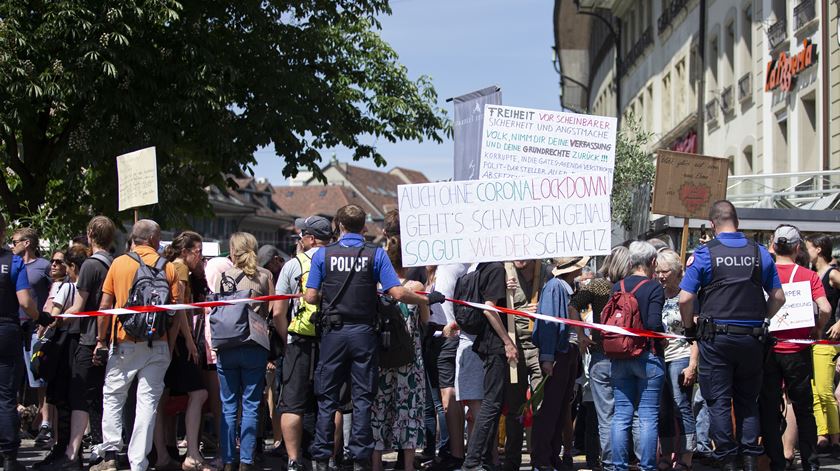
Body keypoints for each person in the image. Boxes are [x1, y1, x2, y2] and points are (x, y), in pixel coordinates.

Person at [303, 204, 442, 471]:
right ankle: (360, 459)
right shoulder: (375, 254)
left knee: (327, 398)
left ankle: (322, 458)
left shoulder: (323, 255)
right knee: (363, 398)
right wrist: (427, 298)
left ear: (339, 226)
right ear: (363, 227)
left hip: (333, 334)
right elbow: (398, 294)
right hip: (364, 334)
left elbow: (310, 296)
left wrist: (331, 295)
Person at [678, 200, 785, 471]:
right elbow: (778, 297)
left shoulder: (705, 254)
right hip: (751, 338)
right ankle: (750, 459)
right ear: (736, 221)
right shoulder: (760, 252)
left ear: (713, 224)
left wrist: (690, 329)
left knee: (718, 402)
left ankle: (727, 459)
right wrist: (763, 319)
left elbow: (684, 299)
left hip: (716, 340)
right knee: (748, 401)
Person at [90, 220, 183, 471]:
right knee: (147, 405)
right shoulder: (169, 268)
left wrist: (100, 340)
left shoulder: (119, 263)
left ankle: (110, 453)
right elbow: (175, 315)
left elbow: (105, 307)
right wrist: (169, 346)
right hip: (159, 345)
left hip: (124, 342)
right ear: (153, 239)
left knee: (113, 395)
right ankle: (138, 463)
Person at [759, 225, 830, 471]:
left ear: (773, 246)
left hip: (769, 349)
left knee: (769, 408)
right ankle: (810, 461)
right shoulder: (808, 275)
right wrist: (817, 329)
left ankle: (776, 461)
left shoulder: (764, 273)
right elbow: (827, 308)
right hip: (797, 351)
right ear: (798, 247)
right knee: (803, 408)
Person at [214, 232, 277, 471]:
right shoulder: (265, 276)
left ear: (233, 250)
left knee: (228, 405)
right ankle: (247, 461)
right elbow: (271, 310)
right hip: (254, 345)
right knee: (251, 404)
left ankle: (229, 459)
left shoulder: (224, 277)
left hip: (228, 345)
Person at [275, 216, 333, 471]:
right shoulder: (340, 262)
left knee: (292, 402)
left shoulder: (293, 265)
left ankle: (293, 459)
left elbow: (278, 311)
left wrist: (286, 341)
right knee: (332, 401)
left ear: (310, 239)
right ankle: (329, 458)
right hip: (333, 338)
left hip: (299, 339)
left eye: (301, 235)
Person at [371, 213, 428, 471]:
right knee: (408, 410)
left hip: (381, 355)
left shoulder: (376, 286)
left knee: (379, 407)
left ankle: (376, 464)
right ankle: (407, 465)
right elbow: (425, 322)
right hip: (409, 357)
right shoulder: (415, 287)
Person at [155, 231, 213, 471]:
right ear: (185, 251)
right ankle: (191, 454)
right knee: (198, 394)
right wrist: (188, 341)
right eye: (198, 252)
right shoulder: (179, 269)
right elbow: (180, 310)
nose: (200, 257)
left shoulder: (175, 267)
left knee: (163, 398)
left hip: (172, 340)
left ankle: (163, 454)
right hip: (177, 341)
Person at [60, 216, 116, 466]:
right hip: (111, 340)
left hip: (88, 338)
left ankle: (73, 453)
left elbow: (79, 306)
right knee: (105, 396)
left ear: (90, 234)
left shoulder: (90, 266)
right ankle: (105, 449)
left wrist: (54, 317)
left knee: (80, 395)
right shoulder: (114, 263)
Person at [606, 242, 665, 471]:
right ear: (652, 263)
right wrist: (663, 337)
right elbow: (652, 323)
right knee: (648, 416)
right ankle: (647, 466)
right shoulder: (653, 287)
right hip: (648, 355)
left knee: (621, 415)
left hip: (620, 355)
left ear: (630, 262)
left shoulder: (617, 286)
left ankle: (618, 466)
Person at [531, 256, 589, 471]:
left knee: (562, 407)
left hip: (568, 352)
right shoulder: (555, 287)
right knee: (551, 409)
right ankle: (542, 458)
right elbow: (548, 323)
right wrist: (547, 357)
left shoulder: (567, 287)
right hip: (558, 353)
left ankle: (553, 456)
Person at [31, 245, 86, 471]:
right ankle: (66, 448)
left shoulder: (66, 288)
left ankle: (63, 448)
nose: (54, 265)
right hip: (74, 345)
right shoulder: (80, 288)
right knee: (66, 399)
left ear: (70, 266)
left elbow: (53, 318)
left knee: (61, 399)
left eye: (60, 261)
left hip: (63, 347)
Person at [459, 260, 516, 471]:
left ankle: (482, 460)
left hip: (489, 344)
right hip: (494, 346)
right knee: (491, 405)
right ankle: (472, 461)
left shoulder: (484, 267)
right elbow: (489, 309)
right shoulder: (495, 268)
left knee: (494, 404)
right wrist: (507, 342)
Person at [0, 216, 43, 471]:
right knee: (6, 396)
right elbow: (26, 303)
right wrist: (41, 316)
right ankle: (9, 457)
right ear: (3, 231)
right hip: (6, 329)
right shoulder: (13, 262)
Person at [500, 259, 549, 471]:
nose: (520, 258)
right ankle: (512, 462)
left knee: (541, 406)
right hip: (515, 349)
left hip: (538, 347)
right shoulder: (504, 272)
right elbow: (490, 308)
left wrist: (543, 308)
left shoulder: (545, 273)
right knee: (515, 410)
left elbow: (560, 307)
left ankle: (540, 458)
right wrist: (505, 295)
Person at [655, 249, 698, 471]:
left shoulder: (688, 295)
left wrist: (692, 364)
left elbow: (695, 334)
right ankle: (666, 454)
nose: (661, 276)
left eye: (665, 271)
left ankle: (686, 455)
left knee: (681, 404)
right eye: (658, 272)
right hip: (661, 358)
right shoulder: (657, 295)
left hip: (681, 355)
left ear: (677, 271)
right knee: (663, 408)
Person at [11, 227, 53, 448]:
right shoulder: (12, 265)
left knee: (38, 377)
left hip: (36, 328)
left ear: (27, 243)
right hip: (13, 328)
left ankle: (45, 422)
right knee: (14, 377)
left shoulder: (43, 266)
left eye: (15, 240)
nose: (12, 244)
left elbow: (53, 291)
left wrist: (44, 318)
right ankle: (17, 419)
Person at [427, 263, 469, 471]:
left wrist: (454, 323)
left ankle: (455, 454)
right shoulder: (437, 268)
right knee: (441, 401)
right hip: (436, 335)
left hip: (448, 335)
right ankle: (451, 451)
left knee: (447, 398)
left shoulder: (451, 266)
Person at [805, 233, 840, 455]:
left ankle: (835, 439)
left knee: (826, 391)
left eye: (808, 247)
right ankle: (822, 435)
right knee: (816, 390)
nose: (804, 251)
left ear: (818, 249)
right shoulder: (813, 275)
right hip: (814, 339)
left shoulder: (832, 274)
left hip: (829, 340)